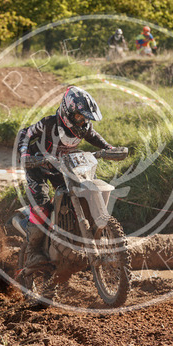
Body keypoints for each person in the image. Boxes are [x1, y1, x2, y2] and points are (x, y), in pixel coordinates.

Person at [16, 86, 115, 270]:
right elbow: (25, 133)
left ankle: (79, 238)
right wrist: (25, 155)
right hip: (37, 166)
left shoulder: (84, 128)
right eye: (79, 117)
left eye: (86, 118)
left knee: (79, 192)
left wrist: (109, 148)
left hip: (61, 167)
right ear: (67, 112)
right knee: (42, 206)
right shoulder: (49, 124)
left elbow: (94, 136)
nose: (83, 122)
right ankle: (32, 252)